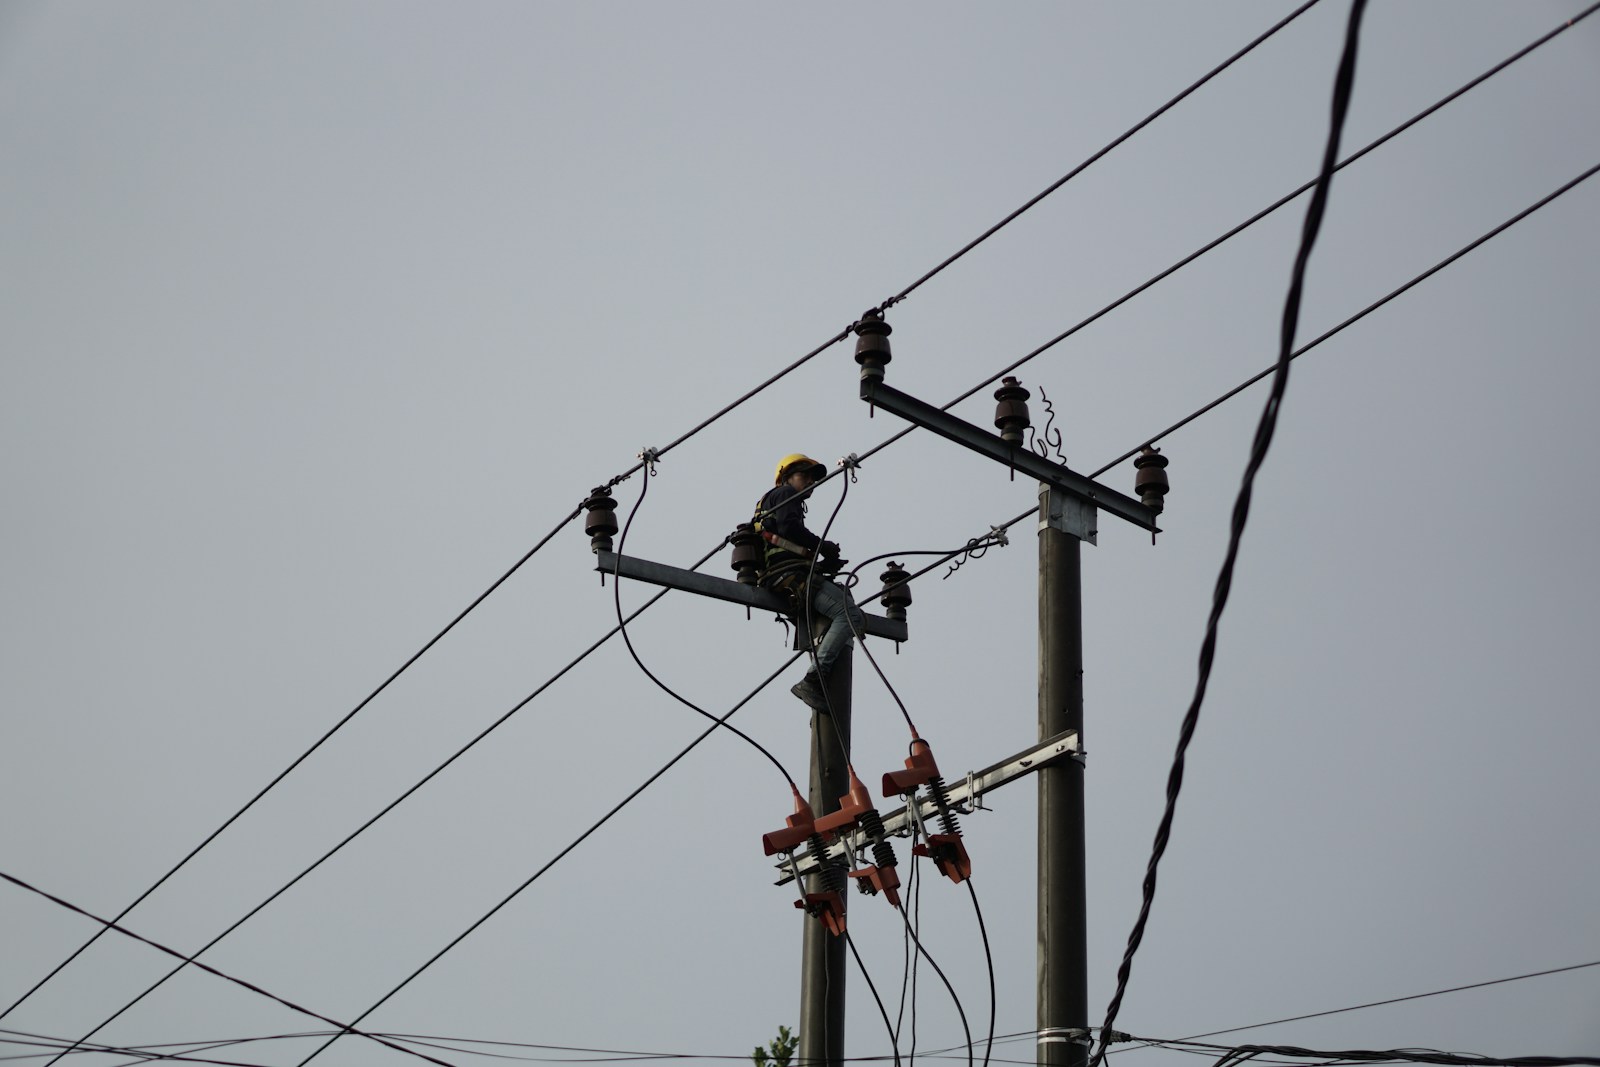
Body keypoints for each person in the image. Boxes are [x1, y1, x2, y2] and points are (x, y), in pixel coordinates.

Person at [755, 453, 865, 711]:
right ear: (786, 477)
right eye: (804, 475)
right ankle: (813, 679)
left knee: (838, 606)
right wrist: (823, 546)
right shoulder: (784, 494)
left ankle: (819, 676)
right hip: (789, 575)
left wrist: (823, 563)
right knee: (850, 615)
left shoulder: (773, 500)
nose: (810, 482)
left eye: (813, 479)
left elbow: (786, 541)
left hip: (786, 574)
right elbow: (790, 529)